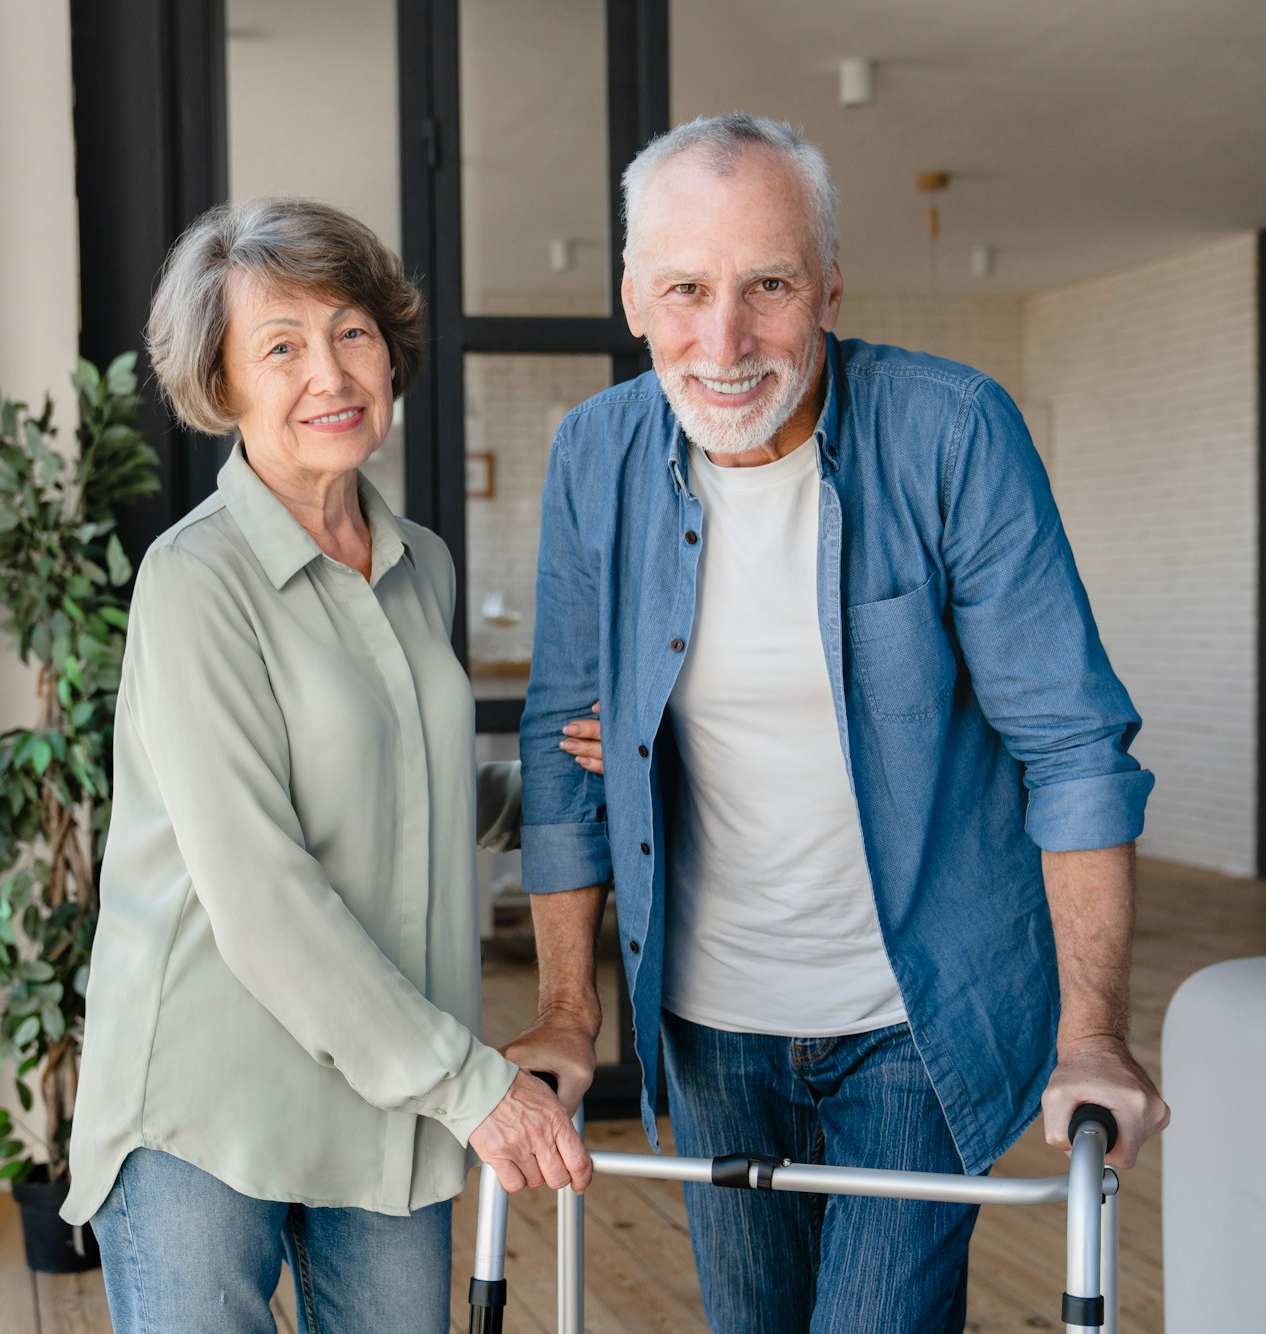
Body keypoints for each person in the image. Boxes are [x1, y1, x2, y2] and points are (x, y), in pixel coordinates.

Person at [504, 114, 1170, 1332]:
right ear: (631, 297)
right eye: (684, 290)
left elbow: (1072, 748)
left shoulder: (951, 431)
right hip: (706, 1024)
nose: (724, 338)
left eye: (767, 285)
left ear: (828, 284)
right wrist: (566, 1010)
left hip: (912, 1015)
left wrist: (1096, 1034)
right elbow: (566, 749)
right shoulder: (592, 454)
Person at [61, 197, 593, 1334]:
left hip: (381, 1109)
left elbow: (410, 789)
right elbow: (260, 888)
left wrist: (569, 777)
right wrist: (472, 1086)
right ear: (223, 383)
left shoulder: (421, 565)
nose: (329, 372)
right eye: (281, 345)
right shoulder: (194, 581)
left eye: (351, 330)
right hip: (206, 1107)